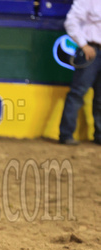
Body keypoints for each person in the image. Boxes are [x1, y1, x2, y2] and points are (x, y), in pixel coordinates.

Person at [58, 0, 101, 145]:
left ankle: (99, 135)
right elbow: (71, 21)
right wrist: (83, 44)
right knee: (77, 93)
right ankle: (66, 134)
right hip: (91, 50)